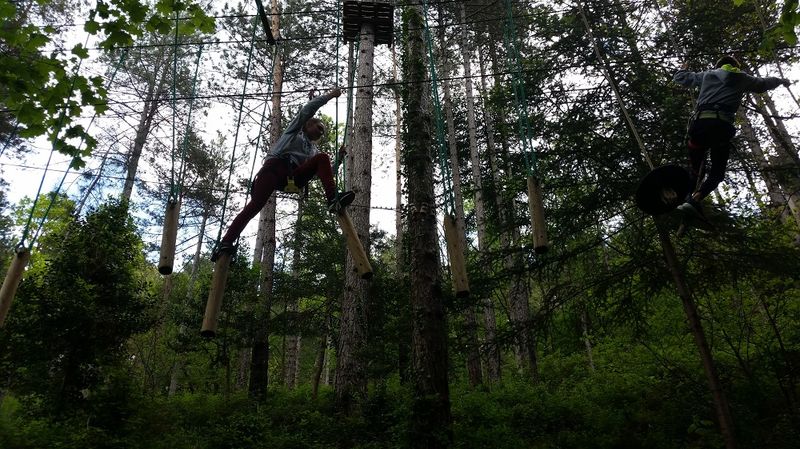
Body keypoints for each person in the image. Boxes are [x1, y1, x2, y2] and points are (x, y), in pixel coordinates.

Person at [212, 88, 354, 261]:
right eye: (319, 127)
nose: (321, 132)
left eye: (323, 131)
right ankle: (226, 242)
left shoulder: (313, 151)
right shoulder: (293, 133)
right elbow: (306, 112)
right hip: (274, 170)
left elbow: (325, 174)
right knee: (255, 206)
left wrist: (339, 159)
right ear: (308, 125)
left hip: (293, 176)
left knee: (322, 158)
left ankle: (333, 199)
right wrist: (329, 96)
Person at [673, 55, 791, 218]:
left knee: (695, 168)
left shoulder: (708, 74)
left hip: (700, 125)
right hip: (721, 128)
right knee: (716, 173)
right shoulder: (743, 78)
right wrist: (781, 80)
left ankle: (683, 198)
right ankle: (695, 200)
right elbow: (764, 83)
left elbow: (681, 79)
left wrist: (683, 69)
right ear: (735, 66)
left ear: (718, 65)